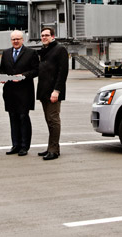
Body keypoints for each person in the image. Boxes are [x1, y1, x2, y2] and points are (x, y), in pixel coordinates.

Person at [0, 30, 39, 156]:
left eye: (18, 39)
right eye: (13, 39)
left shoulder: (31, 53)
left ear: (23, 39)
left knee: (23, 117)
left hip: (24, 91)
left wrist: (23, 76)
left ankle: (24, 146)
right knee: (13, 118)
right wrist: (3, 79)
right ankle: (15, 145)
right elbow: (1, 71)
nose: (15, 41)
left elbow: (36, 70)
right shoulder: (5, 53)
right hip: (10, 92)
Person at [36, 27, 69, 160]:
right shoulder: (44, 51)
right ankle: (51, 147)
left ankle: (54, 150)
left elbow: (63, 72)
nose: (44, 37)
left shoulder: (60, 49)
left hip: (53, 92)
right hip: (44, 92)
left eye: (47, 35)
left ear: (53, 36)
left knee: (54, 120)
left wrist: (57, 91)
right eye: (42, 35)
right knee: (49, 121)